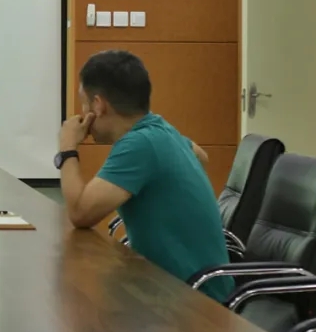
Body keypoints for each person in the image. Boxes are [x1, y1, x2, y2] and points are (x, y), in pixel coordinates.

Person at [57, 49, 231, 301]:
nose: (83, 114)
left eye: (84, 103)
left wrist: (67, 148)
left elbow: (80, 214)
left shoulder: (140, 144)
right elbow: (201, 156)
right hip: (181, 288)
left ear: (99, 105)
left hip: (193, 302)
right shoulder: (159, 128)